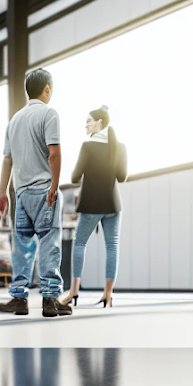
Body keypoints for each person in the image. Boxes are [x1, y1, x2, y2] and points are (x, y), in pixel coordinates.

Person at [0, 68, 71, 317]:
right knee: (50, 243)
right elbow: (55, 153)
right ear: (47, 89)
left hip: (21, 194)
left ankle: (19, 297)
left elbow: (7, 160)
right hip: (43, 191)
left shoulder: (14, 120)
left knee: (22, 246)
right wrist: (54, 186)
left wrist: (2, 192)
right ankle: (50, 298)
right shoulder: (49, 114)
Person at [67, 105, 127, 308]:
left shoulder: (88, 146)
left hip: (91, 204)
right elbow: (122, 177)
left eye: (89, 121)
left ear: (99, 123)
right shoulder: (119, 146)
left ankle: (74, 291)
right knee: (112, 247)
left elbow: (75, 177)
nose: (86, 125)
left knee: (80, 244)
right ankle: (108, 293)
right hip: (113, 204)